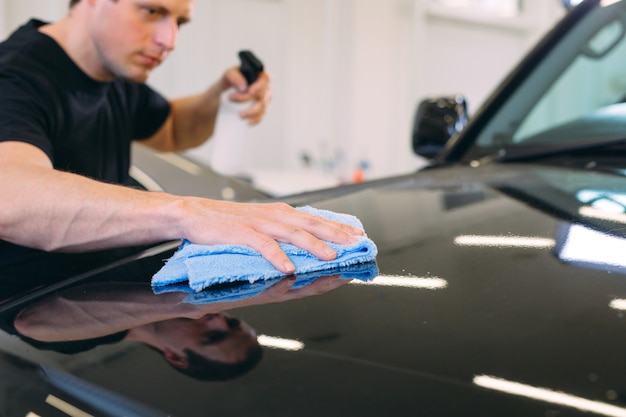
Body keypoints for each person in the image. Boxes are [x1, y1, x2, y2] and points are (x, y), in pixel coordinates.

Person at [0, 0, 363, 274]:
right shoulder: (14, 77)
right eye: (152, 11)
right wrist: (186, 213)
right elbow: (11, 197)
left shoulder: (113, 75)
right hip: (27, 322)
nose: (168, 39)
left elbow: (172, 128)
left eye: (179, 22)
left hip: (99, 300)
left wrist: (220, 94)